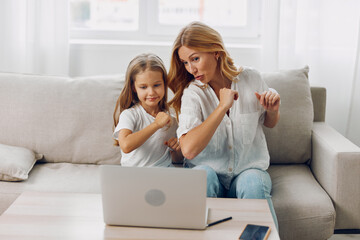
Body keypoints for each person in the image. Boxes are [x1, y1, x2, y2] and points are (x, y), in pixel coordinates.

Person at [168, 22, 280, 228]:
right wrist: (221, 108)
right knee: (204, 176)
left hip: (247, 171)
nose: (191, 69)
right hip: (210, 174)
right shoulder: (193, 93)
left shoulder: (251, 78)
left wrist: (273, 110)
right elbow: (189, 150)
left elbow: (269, 123)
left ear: (216, 52)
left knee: (253, 182)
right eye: (185, 62)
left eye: (195, 59)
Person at [113, 53, 183, 167]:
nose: (151, 92)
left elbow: (178, 159)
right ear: (133, 88)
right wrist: (156, 124)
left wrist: (176, 149)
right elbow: (126, 145)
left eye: (156, 85)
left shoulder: (172, 118)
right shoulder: (130, 115)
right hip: (134, 175)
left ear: (164, 84)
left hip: (162, 173)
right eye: (143, 87)